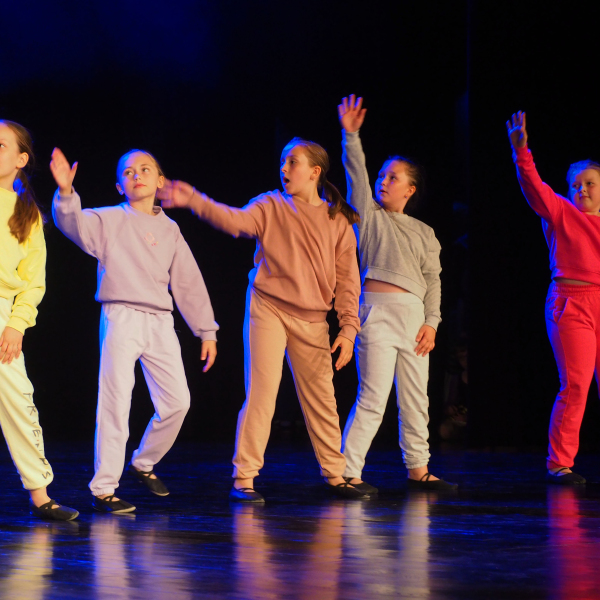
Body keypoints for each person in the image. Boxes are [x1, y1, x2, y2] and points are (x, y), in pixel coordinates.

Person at [157, 137, 368, 502]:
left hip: (313, 319)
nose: (284, 168)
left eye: (293, 162)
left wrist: (348, 328)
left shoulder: (338, 221)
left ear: (315, 172)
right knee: (261, 395)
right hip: (268, 307)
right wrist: (194, 199)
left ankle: (336, 474)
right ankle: (245, 477)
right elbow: (234, 221)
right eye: (283, 161)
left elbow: (349, 281)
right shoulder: (270, 205)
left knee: (322, 398)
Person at [51, 147, 219, 512]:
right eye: (128, 172)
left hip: (160, 321)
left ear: (160, 181)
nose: (136, 175)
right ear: (119, 185)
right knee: (116, 401)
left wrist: (206, 330)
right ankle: (104, 488)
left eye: (144, 169)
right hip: (122, 315)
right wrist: (65, 192)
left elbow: (188, 281)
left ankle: (144, 461)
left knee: (178, 402)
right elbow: (72, 224)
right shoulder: (110, 219)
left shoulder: (170, 229)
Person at [338, 95, 456, 491]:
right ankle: (348, 471)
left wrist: (432, 322)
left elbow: (433, 281)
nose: (383, 181)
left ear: (410, 188)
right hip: (377, 313)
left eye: (393, 177)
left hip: (414, 318)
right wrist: (351, 137)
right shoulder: (369, 217)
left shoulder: (425, 232)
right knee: (373, 397)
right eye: (382, 175)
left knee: (416, 398)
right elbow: (357, 177)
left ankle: (418, 468)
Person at [508, 110, 600, 485]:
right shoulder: (561, 212)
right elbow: (533, 186)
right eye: (576, 184)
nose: (582, 190)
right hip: (571, 303)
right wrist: (521, 152)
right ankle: (559, 463)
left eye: (590, 183)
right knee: (575, 385)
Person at [0, 120, 78, 520]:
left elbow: (34, 281)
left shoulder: (26, 214)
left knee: (18, 399)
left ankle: (40, 494)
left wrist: (17, 323)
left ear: (20, 159)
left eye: (0, 145)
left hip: (2, 312)